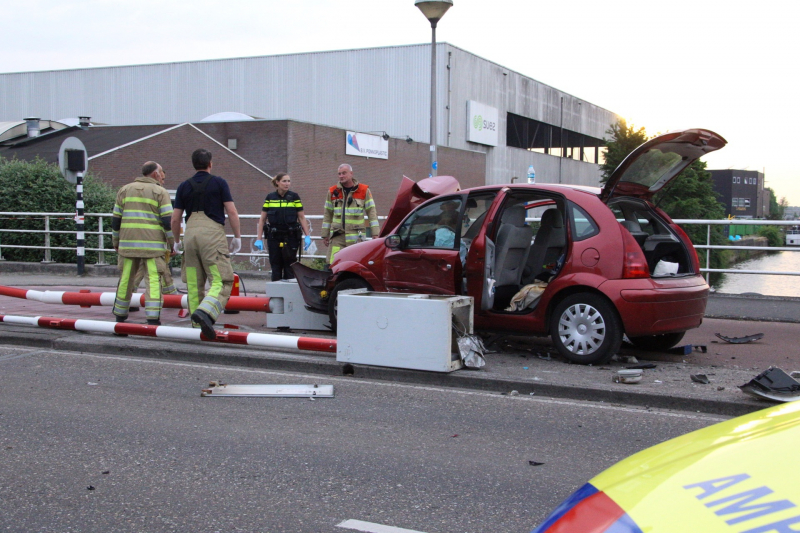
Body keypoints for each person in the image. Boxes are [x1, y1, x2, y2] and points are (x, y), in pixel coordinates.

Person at [171, 149, 241, 340]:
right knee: (222, 279)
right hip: (211, 235)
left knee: (194, 283)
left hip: (190, 235)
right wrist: (237, 236)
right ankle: (207, 313)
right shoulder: (219, 183)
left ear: (193, 164)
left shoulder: (183, 186)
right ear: (210, 163)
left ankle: (197, 326)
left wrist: (176, 241)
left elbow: (176, 218)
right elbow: (232, 212)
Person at [111, 161, 174, 325]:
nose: (162, 178)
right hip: (152, 247)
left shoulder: (124, 190)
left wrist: (116, 241)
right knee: (153, 280)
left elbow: (116, 220)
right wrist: (173, 243)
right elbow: (168, 222)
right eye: (161, 174)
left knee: (126, 279)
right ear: (155, 174)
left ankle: (120, 314)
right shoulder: (160, 192)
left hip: (128, 245)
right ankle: (152, 318)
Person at [254, 173, 311, 281]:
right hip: (274, 237)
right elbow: (262, 219)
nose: (287, 184)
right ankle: (276, 294)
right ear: (277, 182)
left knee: (290, 266)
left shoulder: (294, 197)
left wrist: (307, 236)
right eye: (284, 181)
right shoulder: (270, 197)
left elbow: (301, 217)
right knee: (275, 265)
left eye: (289, 181)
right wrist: (259, 239)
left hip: (291, 236)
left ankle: (288, 294)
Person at [321, 164, 379, 263]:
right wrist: (325, 235)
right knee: (333, 263)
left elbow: (371, 213)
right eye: (339, 174)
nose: (341, 176)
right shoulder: (332, 191)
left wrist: (375, 233)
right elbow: (328, 214)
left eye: (344, 173)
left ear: (351, 174)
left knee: (355, 263)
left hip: (356, 236)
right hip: (337, 236)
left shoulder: (363, 190)